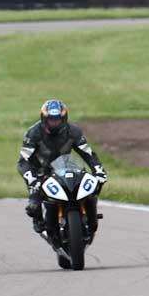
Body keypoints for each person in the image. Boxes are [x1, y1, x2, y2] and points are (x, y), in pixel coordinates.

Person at [17, 99, 108, 236]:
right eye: (50, 120)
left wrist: (99, 171)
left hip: (64, 166)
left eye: (57, 120)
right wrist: (32, 178)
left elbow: (88, 154)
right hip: (40, 170)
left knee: (91, 187)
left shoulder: (74, 132)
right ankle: (41, 219)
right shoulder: (33, 133)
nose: (54, 123)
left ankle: (90, 217)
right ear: (44, 118)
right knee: (33, 206)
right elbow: (23, 161)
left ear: (64, 118)